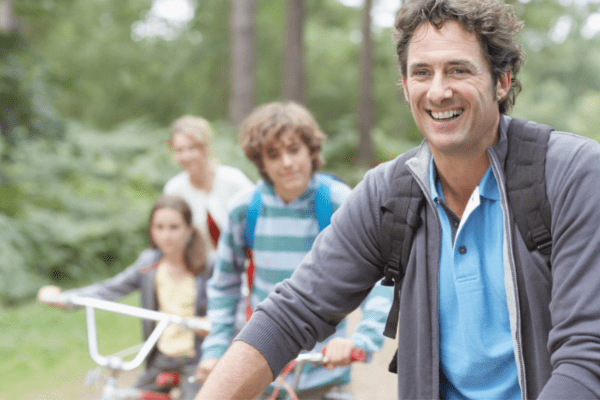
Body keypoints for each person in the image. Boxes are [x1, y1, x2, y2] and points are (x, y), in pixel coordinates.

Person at [194, 1, 600, 399]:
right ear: (406, 88)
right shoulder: (388, 193)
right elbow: (292, 312)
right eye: (422, 72)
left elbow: (587, 356)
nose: (439, 91)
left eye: (459, 69)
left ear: (502, 80)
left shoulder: (571, 174)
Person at [194, 101, 392, 399]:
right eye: (273, 155)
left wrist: (362, 338)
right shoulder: (245, 209)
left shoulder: (338, 202)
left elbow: (380, 279)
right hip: (262, 369)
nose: (286, 163)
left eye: (294, 150)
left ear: (311, 151)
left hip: (325, 371)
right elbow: (224, 286)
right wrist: (215, 350)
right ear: (260, 161)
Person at [38, 195, 212, 400]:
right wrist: (64, 299)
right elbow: (109, 289)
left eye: (174, 227)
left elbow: (230, 308)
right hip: (161, 356)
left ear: (189, 229)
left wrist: (210, 324)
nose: (166, 235)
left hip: (197, 357)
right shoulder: (149, 264)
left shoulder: (208, 267)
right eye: (159, 227)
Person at [164, 115, 254, 249]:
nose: (186, 156)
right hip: (199, 266)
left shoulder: (233, 179)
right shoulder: (174, 190)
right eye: (179, 150)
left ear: (206, 148)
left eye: (192, 148)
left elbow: (259, 215)